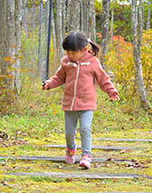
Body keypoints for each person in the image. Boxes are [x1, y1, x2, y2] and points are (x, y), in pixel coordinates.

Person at [42, 31, 119, 169]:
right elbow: (59, 77)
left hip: (86, 104)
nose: (70, 55)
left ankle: (86, 155)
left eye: (73, 53)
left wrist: (111, 91)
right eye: (67, 52)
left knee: (85, 128)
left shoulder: (92, 62)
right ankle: (70, 150)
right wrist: (49, 84)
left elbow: (103, 79)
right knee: (69, 133)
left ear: (84, 50)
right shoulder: (66, 62)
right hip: (69, 104)